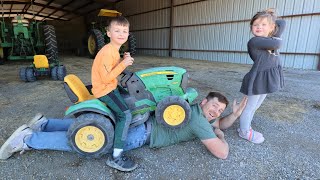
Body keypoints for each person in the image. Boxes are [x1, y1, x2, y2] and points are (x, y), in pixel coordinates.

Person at [0, 92, 247, 172]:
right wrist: (221, 137)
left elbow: (217, 125)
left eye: (221, 110)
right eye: (214, 105)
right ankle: (29, 139)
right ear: (204, 102)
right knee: (95, 142)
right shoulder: (199, 122)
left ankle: (45, 124)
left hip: (141, 122)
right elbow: (221, 153)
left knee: (102, 128)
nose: (217, 111)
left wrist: (233, 116)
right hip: (142, 135)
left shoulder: (192, 109)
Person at [91, 16, 136, 170]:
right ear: (108, 33)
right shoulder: (107, 52)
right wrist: (123, 64)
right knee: (126, 114)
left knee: (131, 96)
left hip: (111, 85)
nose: (121, 34)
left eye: (125, 31)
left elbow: (112, 68)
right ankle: (116, 156)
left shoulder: (115, 49)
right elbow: (105, 78)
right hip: (104, 89)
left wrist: (122, 60)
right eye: (117, 30)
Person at [239, 9, 286, 144]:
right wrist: (269, 23)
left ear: (272, 27)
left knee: (255, 106)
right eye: (255, 24)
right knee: (249, 107)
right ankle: (244, 131)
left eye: (263, 24)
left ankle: (246, 126)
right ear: (251, 28)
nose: (259, 27)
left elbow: (281, 23)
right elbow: (278, 43)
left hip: (266, 78)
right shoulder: (255, 41)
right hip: (258, 79)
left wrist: (270, 15)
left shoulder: (269, 39)